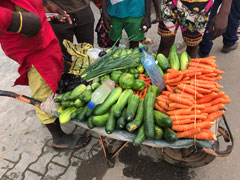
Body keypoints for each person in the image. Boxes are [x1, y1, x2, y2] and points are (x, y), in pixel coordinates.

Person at [0, 0, 90, 151]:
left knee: (52, 79)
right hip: (29, 45)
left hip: (41, 35)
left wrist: (44, 5)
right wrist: (19, 20)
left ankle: (52, 111)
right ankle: (59, 138)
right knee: (42, 89)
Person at [157, 0, 232, 58]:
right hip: (169, 1)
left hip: (199, 4)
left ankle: (189, 75)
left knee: (192, 44)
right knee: (165, 40)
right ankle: (158, 74)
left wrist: (224, 11)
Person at [44, 0, 95, 67]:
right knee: (62, 56)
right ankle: (66, 74)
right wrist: (45, 3)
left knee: (88, 52)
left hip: (84, 10)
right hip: (56, 11)